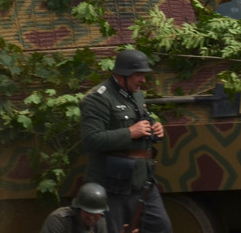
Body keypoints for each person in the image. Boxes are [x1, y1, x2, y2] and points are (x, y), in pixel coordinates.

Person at [79, 49, 171, 233]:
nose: (143, 80)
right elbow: (90, 139)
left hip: (142, 182)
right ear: (123, 74)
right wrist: (129, 133)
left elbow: (140, 122)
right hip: (112, 185)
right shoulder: (99, 98)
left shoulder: (136, 94)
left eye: (144, 75)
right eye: (138, 75)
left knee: (161, 228)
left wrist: (154, 129)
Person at [41, 182, 109, 233]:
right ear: (79, 208)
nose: (91, 217)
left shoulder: (100, 222)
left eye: (95, 214)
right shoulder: (59, 220)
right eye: (87, 212)